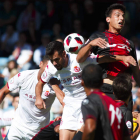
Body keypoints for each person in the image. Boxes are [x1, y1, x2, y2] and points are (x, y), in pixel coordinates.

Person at [35, 41, 135, 140]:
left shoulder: (79, 60)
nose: (54, 63)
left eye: (57, 59)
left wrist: (123, 57)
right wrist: (38, 98)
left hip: (85, 102)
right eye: (52, 60)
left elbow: (102, 59)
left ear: (64, 54)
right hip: (69, 106)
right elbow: (40, 83)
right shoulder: (51, 67)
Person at [77, 3, 140, 99]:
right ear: (108, 19)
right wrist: (90, 44)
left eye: (123, 16)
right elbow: (79, 59)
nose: (122, 18)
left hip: (126, 91)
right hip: (106, 88)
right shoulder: (98, 37)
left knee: (127, 114)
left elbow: (135, 69)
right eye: (117, 15)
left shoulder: (129, 43)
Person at [0, 55, 61, 140]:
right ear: (40, 64)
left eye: (51, 69)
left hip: (38, 133)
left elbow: (68, 102)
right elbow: (2, 91)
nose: (48, 71)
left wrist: (64, 115)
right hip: (17, 129)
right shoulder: (24, 76)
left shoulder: (56, 83)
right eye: (46, 67)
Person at [81, 64, 130, 140]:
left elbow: (90, 128)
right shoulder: (115, 105)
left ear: (82, 82)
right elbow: (126, 137)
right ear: (102, 82)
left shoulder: (91, 101)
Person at [113, 73, 140, 140]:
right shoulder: (126, 112)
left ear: (113, 93)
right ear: (130, 94)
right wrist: (139, 124)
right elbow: (130, 138)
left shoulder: (108, 107)